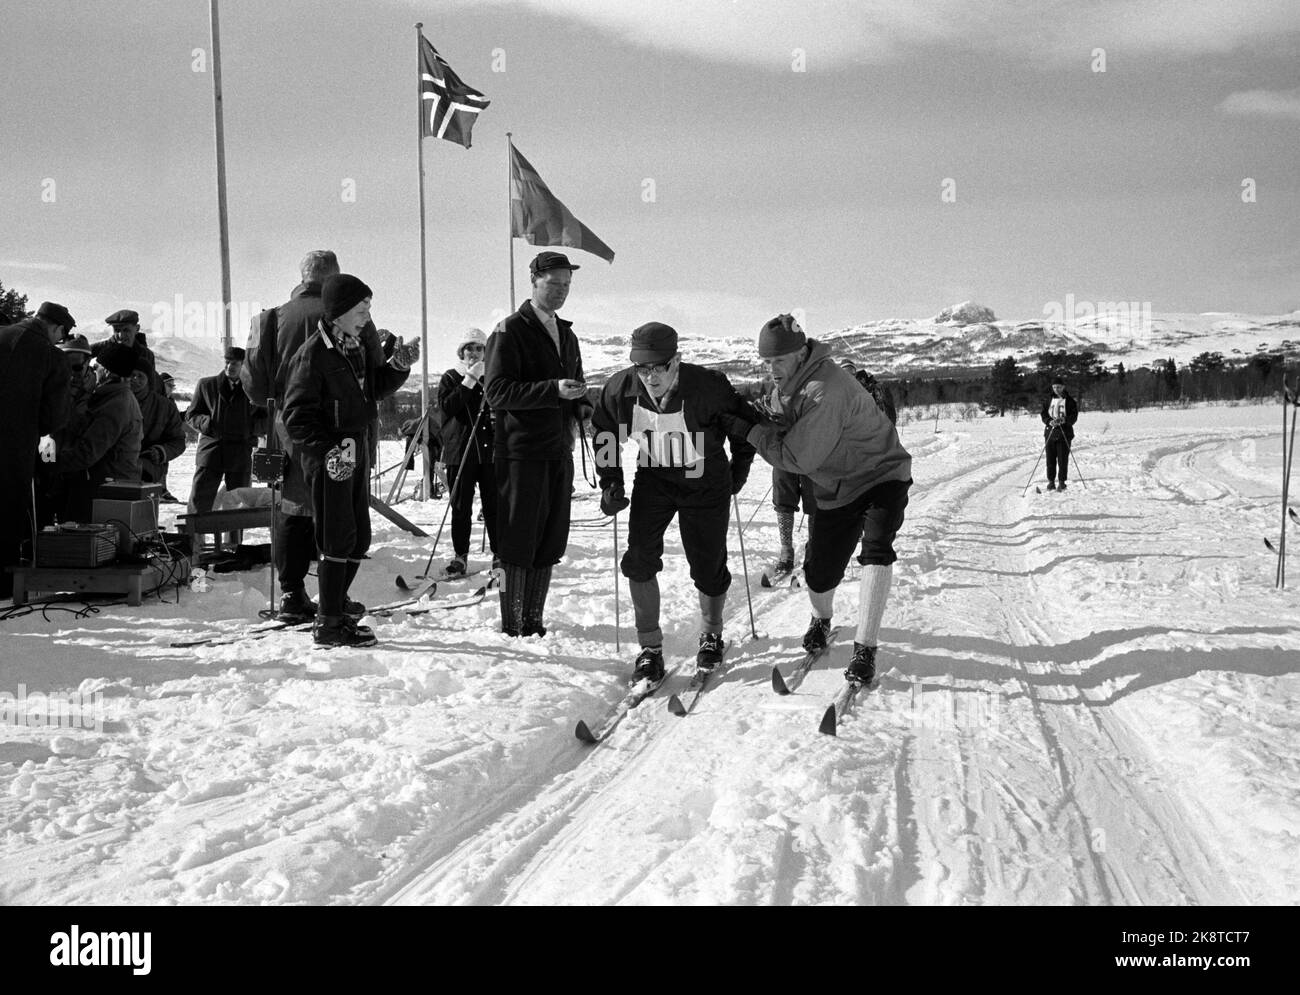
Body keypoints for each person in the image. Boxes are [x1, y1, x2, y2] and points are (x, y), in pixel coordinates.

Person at [722, 314, 912, 686]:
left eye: (778, 361)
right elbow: (774, 410)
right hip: (835, 488)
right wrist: (739, 411)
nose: (772, 369)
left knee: (876, 550)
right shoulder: (792, 382)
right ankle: (822, 619)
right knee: (820, 574)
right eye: (766, 362)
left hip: (881, 474)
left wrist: (750, 433)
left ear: (800, 352)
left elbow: (796, 459)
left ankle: (865, 649)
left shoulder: (826, 389)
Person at [591, 322, 757, 679]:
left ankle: (712, 635)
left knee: (707, 563)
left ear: (676, 360)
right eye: (642, 368)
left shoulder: (707, 387)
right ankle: (649, 648)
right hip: (655, 475)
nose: (650, 377)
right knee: (639, 558)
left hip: (703, 477)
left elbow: (744, 427)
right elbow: (605, 432)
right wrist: (611, 483)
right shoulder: (621, 390)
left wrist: (738, 469)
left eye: (658, 367)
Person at [242, 250, 388, 622]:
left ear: (302, 275)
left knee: (292, 507)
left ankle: (291, 595)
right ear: (336, 278)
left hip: (290, 428)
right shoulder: (356, 318)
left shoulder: (271, 319)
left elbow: (255, 387)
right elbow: (373, 377)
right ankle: (333, 601)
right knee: (342, 512)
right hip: (345, 431)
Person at [282, 274, 416, 648]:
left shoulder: (352, 345)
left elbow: (370, 389)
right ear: (339, 312)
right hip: (330, 455)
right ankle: (328, 623)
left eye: (369, 308)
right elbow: (296, 417)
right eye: (361, 309)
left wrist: (398, 367)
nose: (367, 316)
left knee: (358, 538)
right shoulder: (313, 354)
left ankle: (334, 606)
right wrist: (328, 451)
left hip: (354, 449)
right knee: (338, 537)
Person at [484, 251, 591, 637]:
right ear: (534, 281)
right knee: (517, 539)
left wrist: (582, 406)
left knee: (549, 537)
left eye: (566, 285)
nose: (561, 292)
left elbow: (572, 388)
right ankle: (513, 624)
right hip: (520, 452)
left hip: (557, 449)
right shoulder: (508, 331)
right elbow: (496, 391)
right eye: (554, 284)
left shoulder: (568, 333)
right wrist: (552, 390)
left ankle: (534, 621)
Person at [0, 302, 73, 597]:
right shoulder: (51, 357)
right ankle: (3, 585)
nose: (59, 341)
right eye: (61, 335)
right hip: (12, 450)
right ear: (56, 328)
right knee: (6, 512)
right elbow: (53, 417)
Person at [50, 343, 144, 522]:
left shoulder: (116, 404)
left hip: (103, 491)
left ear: (107, 371)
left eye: (96, 367)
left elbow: (87, 453)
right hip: (98, 485)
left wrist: (46, 465)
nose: (93, 371)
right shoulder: (106, 397)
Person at [437, 327, 497, 575]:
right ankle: (460, 555)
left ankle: (499, 553)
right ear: (461, 351)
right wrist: (470, 379)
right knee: (461, 507)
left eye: (479, 348)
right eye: (469, 348)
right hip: (460, 452)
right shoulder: (451, 377)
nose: (474, 352)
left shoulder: (492, 377)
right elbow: (448, 407)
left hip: (489, 452)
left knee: (494, 505)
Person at [186, 347, 265, 525]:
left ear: (244, 365)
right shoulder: (207, 385)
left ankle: (235, 548)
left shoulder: (253, 390)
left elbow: (266, 417)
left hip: (240, 454)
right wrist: (208, 424)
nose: (230, 366)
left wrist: (250, 428)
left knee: (238, 505)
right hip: (211, 452)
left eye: (235, 363)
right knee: (199, 502)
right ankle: (194, 544)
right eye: (227, 362)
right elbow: (191, 415)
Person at [130, 364, 186, 491]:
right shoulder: (114, 400)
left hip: (147, 472)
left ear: (149, 380)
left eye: (140, 376)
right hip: (113, 471)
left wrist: (161, 452)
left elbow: (178, 441)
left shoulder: (164, 406)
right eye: (131, 375)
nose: (134, 379)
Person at [92, 310, 161, 393]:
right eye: (117, 330)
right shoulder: (104, 347)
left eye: (126, 330)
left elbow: (151, 387)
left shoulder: (146, 354)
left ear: (137, 329)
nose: (121, 335)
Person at [1040, 378, 1078, 491]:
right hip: (1050, 433)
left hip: (1064, 433)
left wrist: (1064, 420)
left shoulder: (1070, 401)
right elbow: (1043, 413)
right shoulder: (1048, 399)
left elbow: (1074, 417)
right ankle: (1051, 482)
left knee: (1062, 460)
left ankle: (1062, 482)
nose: (1056, 389)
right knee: (1050, 460)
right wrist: (1048, 421)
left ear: (1063, 387)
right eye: (1054, 387)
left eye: (1059, 387)